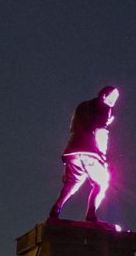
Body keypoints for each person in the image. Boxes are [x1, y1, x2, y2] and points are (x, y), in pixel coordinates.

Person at [49, 85, 120, 223]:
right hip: (90, 151)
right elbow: (100, 131)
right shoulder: (105, 107)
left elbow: (74, 127)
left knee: (72, 183)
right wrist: (104, 158)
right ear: (104, 96)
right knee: (101, 183)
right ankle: (91, 215)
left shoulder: (81, 106)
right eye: (113, 98)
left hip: (72, 150)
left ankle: (56, 209)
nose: (114, 102)